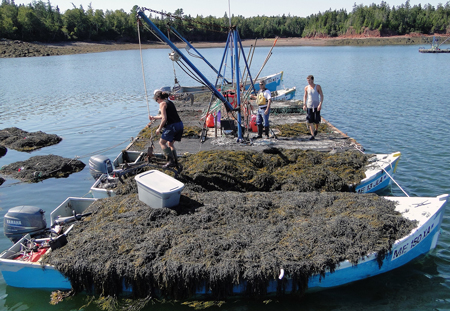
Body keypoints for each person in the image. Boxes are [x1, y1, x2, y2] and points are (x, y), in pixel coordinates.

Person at [148, 90, 184, 168]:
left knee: (162, 143)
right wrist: (153, 117)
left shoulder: (162, 103)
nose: (157, 102)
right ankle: (175, 162)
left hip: (172, 126)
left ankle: (170, 161)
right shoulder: (169, 102)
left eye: (156, 100)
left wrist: (159, 129)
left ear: (158, 98)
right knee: (170, 144)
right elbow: (163, 116)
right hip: (180, 125)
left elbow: (164, 118)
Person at [303, 75, 324, 141]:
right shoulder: (306, 87)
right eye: (307, 80)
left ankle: (316, 130)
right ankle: (312, 135)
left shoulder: (317, 86)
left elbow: (321, 95)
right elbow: (305, 96)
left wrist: (320, 104)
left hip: (316, 106)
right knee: (310, 121)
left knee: (317, 120)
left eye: (309, 80)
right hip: (309, 105)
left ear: (312, 80)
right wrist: (304, 104)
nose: (308, 82)